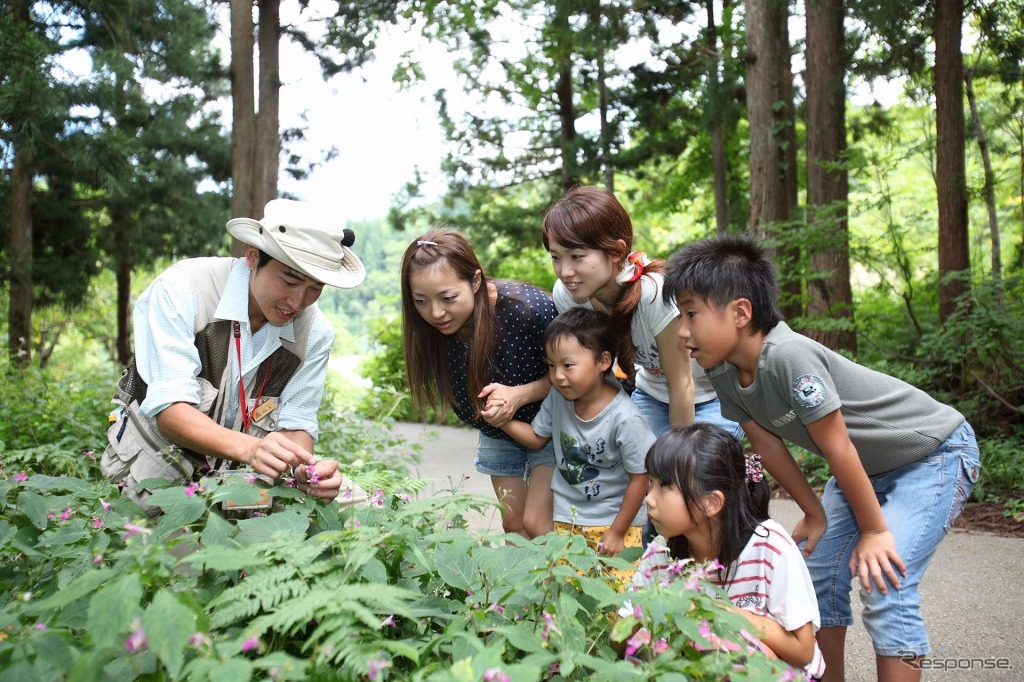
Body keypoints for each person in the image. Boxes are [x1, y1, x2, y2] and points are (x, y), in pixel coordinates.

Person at [662, 234, 982, 682]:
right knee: (819, 577)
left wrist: (874, 531)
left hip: (932, 454)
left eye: (691, 313)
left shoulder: (789, 356)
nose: (681, 330)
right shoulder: (723, 371)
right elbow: (769, 447)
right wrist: (813, 513)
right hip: (864, 469)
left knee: (885, 581)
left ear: (740, 312)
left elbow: (838, 447)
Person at [101, 199, 365, 512]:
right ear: (253, 257)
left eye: (315, 288)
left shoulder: (315, 332)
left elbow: (297, 424)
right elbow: (171, 412)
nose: (298, 301)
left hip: (247, 491)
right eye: (290, 280)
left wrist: (302, 472)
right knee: (186, 559)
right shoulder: (184, 290)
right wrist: (253, 449)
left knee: (367, 514)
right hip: (158, 478)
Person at [541, 185, 741, 441]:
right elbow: (598, 373)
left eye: (577, 256)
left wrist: (675, 461)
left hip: (713, 396)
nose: (565, 271)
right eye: (556, 257)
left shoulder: (654, 293)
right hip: (651, 394)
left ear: (615, 252)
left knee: (690, 472)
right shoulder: (567, 294)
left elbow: (682, 385)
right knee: (634, 468)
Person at [627, 424, 826, 678]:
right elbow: (621, 636)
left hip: (779, 673)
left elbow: (803, 650)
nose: (649, 499)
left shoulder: (770, 547)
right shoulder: (660, 553)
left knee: (725, 646)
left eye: (664, 486)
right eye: (650, 483)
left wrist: (714, 612)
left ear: (711, 502)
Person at [401, 228, 557, 538]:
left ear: (474, 281)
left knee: (538, 524)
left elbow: (578, 373)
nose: (435, 313)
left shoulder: (529, 310)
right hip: (498, 431)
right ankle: (519, 586)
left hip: (552, 424)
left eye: (448, 298)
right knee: (513, 526)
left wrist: (518, 396)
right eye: (421, 300)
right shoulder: (431, 328)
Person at [484, 307, 655, 571]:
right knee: (569, 592)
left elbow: (640, 478)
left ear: (603, 361)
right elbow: (536, 438)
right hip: (567, 521)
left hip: (615, 524)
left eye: (568, 365)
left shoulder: (625, 418)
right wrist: (503, 420)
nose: (558, 376)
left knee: (615, 600)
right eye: (551, 366)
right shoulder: (558, 397)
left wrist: (617, 532)